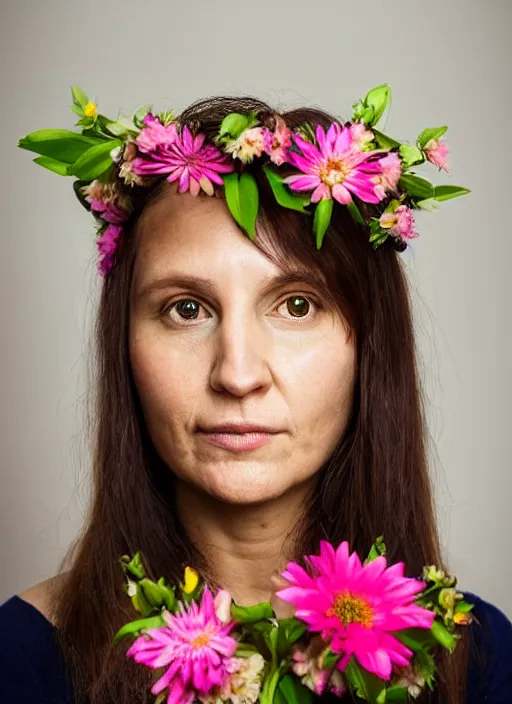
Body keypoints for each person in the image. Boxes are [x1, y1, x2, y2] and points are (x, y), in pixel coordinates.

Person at [1, 88, 511, 704]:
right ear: (124, 346)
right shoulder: (19, 663)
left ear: (370, 347)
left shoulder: (479, 663)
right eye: (186, 309)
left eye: (296, 305)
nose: (238, 374)